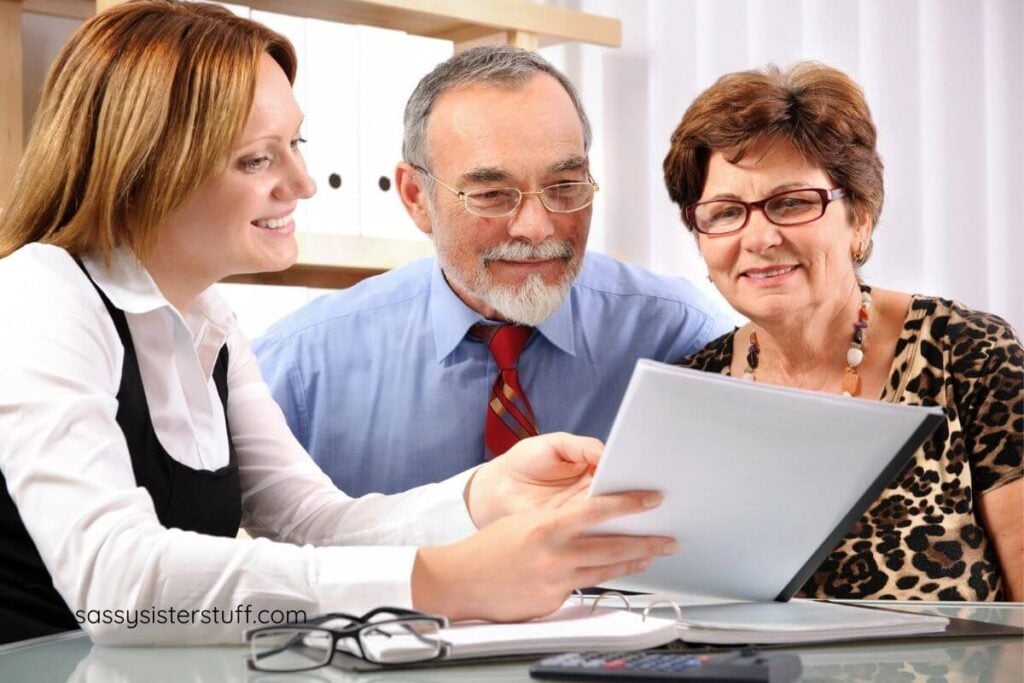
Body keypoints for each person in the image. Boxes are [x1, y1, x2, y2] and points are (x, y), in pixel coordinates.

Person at [0, 0, 678, 646]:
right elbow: (116, 589)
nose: (302, 182)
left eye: (295, 144)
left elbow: (310, 520)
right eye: (257, 158)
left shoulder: (211, 325)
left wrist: (485, 494)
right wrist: (443, 579)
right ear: (147, 165)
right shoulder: (40, 291)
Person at [254, 46, 731, 496]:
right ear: (416, 197)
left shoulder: (679, 335)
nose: (536, 228)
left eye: (565, 186)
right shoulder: (302, 367)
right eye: (492, 195)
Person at [663, 61, 1022, 601]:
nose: (758, 238)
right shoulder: (691, 394)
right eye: (726, 212)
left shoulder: (968, 354)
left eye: (792, 203)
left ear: (860, 217)